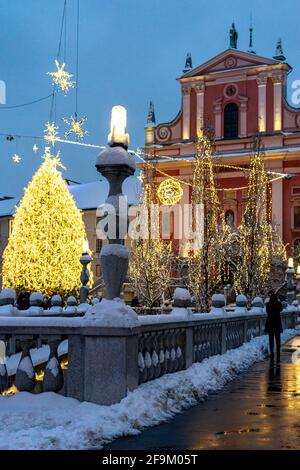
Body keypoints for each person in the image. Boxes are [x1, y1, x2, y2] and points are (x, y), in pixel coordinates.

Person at [265, 291, 283, 362]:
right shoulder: (278, 304)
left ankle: (272, 352)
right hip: (277, 323)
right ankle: (278, 352)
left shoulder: (268, 304)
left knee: (271, 338)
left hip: (270, 322)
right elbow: (281, 309)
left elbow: (267, 311)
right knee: (278, 338)